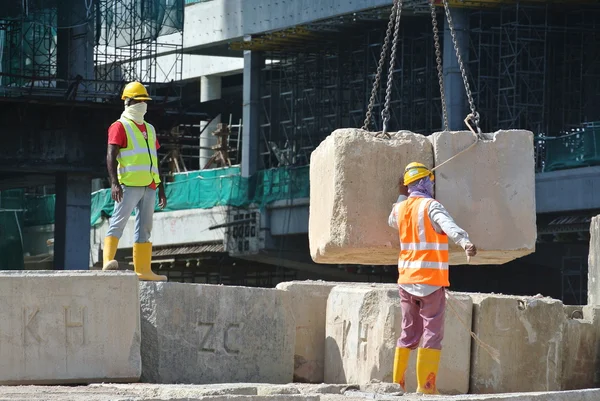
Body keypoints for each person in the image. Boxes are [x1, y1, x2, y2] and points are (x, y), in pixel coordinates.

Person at [387, 162, 477, 394]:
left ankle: (396, 385)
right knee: (431, 333)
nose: (432, 184)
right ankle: (426, 388)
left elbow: (391, 220)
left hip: (406, 279)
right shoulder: (430, 205)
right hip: (430, 281)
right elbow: (447, 225)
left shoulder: (399, 209)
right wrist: (465, 241)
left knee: (408, 332)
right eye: (430, 180)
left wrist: (400, 195)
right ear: (425, 182)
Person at [102, 81, 168, 281]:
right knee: (118, 222)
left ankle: (143, 270)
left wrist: (161, 187)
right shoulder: (119, 126)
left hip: (149, 185)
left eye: (145, 101)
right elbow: (110, 155)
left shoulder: (150, 128)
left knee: (145, 228)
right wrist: (114, 182)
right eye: (138, 101)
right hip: (128, 185)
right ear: (128, 102)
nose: (142, 104)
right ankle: (107, 262)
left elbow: (154, 159)